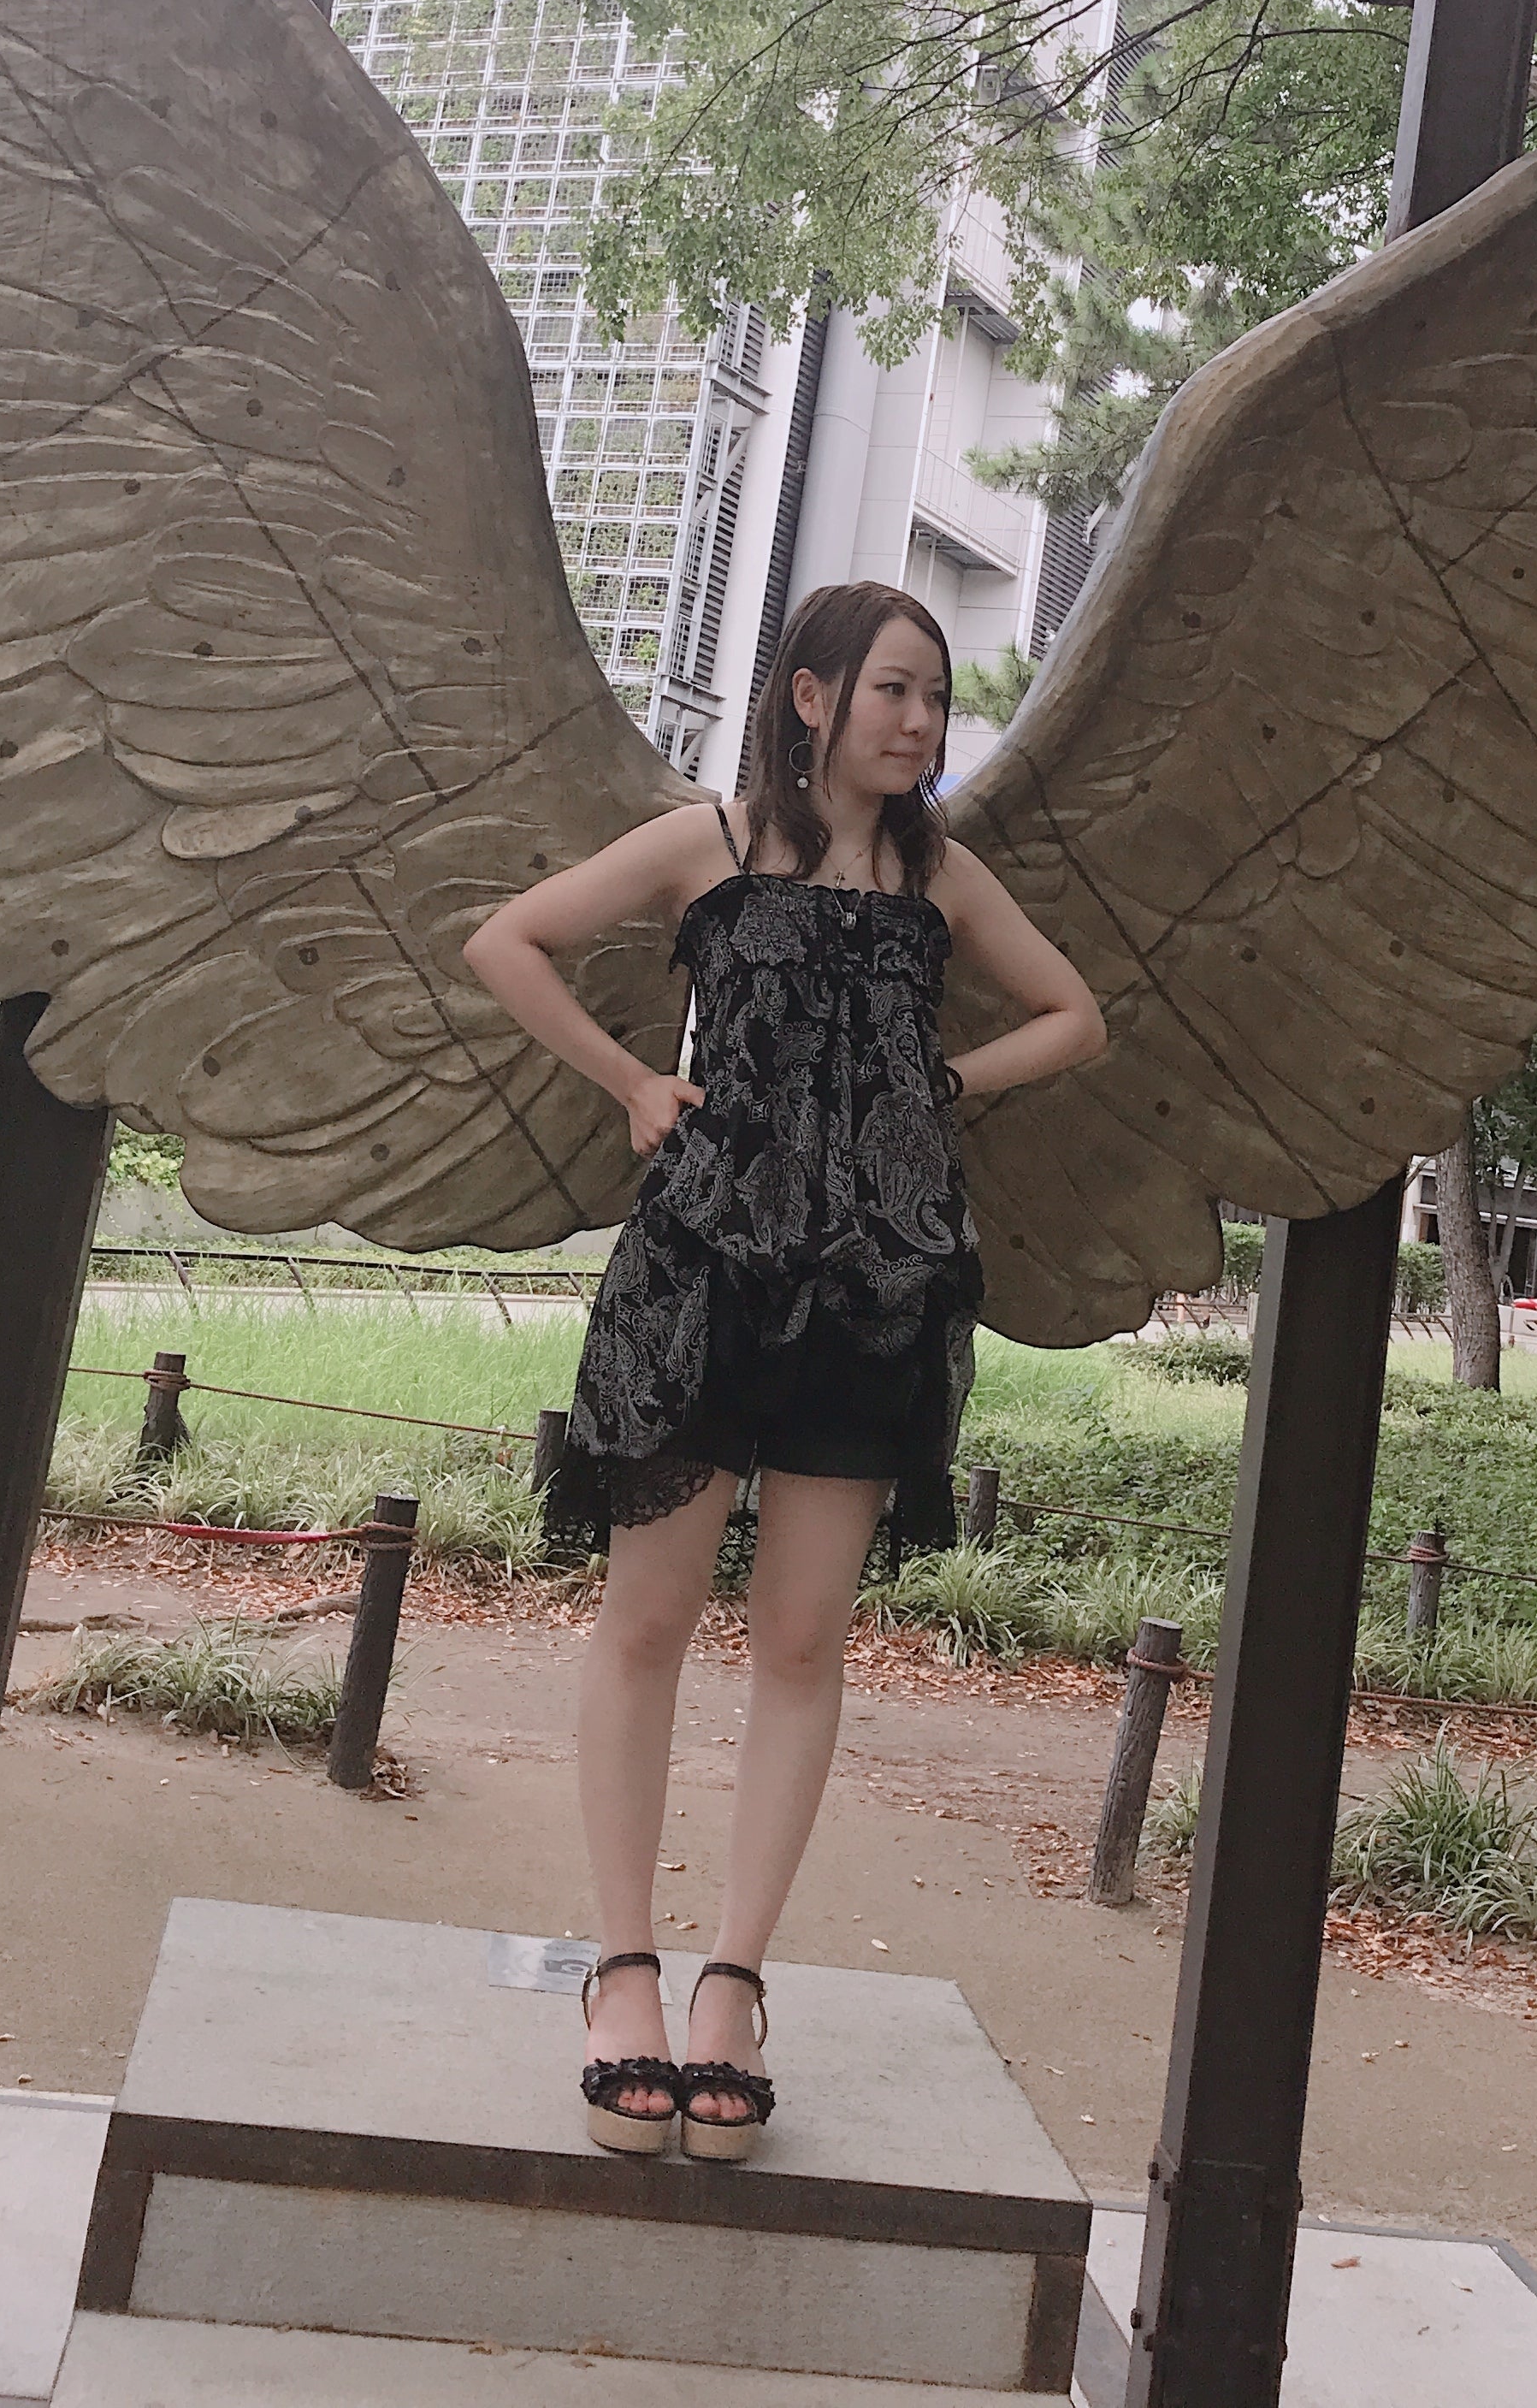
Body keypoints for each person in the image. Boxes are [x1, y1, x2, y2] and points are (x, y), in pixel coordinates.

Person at [464, 580, 1106, 2162]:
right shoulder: (710, 840)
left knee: (805, 1642)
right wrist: (632, 1081)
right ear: (812, 695)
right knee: (648, 1624)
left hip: (877, 1294)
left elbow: (1077, 1017)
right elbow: (508, 942)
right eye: (894, 689)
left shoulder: (939, 875)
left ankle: (733, 1992)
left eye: (936, 698)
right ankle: (622, 1971)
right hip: (702, 1274)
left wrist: (937, 1085)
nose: (920, 721)